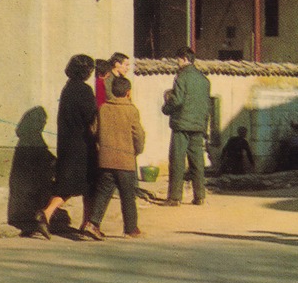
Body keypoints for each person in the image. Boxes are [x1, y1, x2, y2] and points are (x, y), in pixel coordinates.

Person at [33, 54, 98, 238]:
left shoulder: (67, 88)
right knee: (90, 185)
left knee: (67, 185)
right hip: (83, 145)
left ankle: (46, 214)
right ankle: (86, 223)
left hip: (67, 143)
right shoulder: (84, 90)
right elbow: (91, 116)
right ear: (86, 71)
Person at [83, 76, 146, 240]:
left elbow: (94, 130)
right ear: (128, 92)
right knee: (128, 196)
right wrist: (136, 151)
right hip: (125, 160)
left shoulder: (103, 108)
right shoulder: (131, 110)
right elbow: (138, 135)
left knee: (103, 193)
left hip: (106, 159)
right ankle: (130, 229)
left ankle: (92, 223)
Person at [161, 46, 211, 206]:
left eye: (178, 59)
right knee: (197, 161)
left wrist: (166, 107)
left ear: (183, 58)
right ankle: (200, 196)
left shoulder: (181, 77)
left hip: (181, 124)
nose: (177, 62)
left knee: (177, 160)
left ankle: (175, 197)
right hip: (198, 125)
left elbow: (178, 100)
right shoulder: (204, 80)